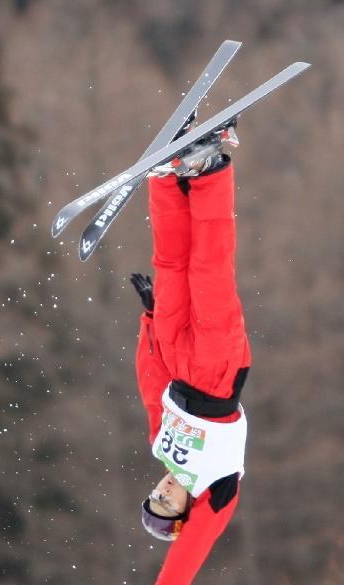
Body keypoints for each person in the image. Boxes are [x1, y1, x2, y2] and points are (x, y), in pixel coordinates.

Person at [130, 127, 251, 585]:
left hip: (177, 361)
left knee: (171, 264)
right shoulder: (216, 491)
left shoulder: (162, 448)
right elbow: (185, 561)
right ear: (185, 514)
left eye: (153, 496)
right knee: (210, 266)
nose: (161, 492)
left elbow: (151, 388)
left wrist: (150, 322)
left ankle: (166, 178)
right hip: (218, 373)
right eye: (166, 503)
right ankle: (209, 173)